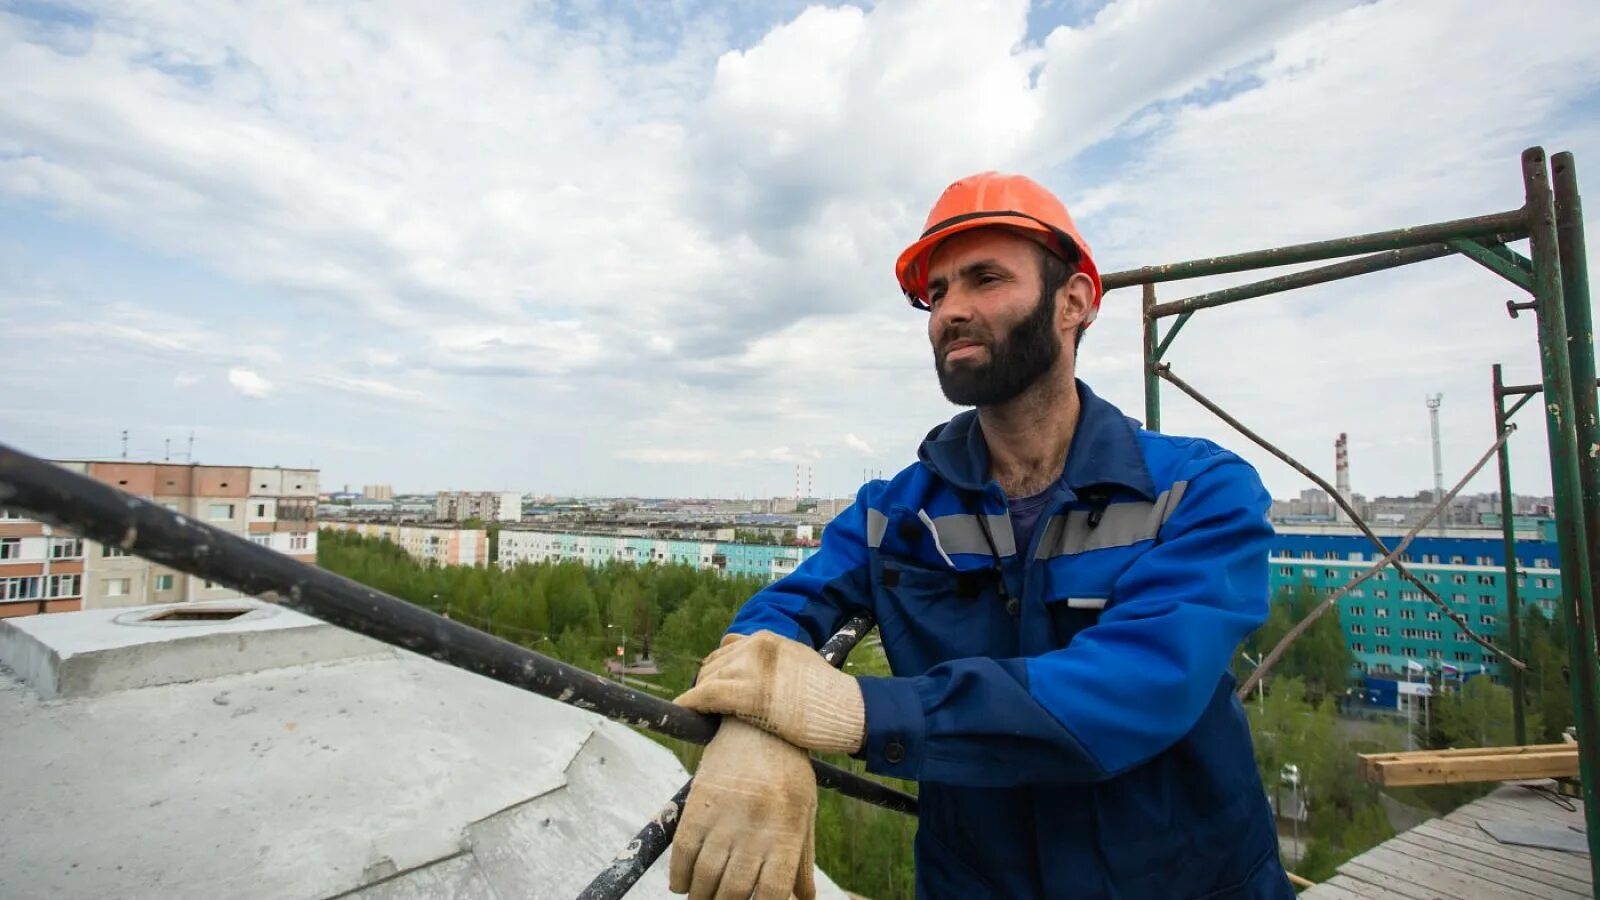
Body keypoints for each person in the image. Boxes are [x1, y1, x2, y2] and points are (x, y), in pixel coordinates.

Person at [669, 173, 1294, 899]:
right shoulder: (896, 513)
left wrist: (860, 713)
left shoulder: (1197, 492)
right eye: (935, 293)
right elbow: (781, 614)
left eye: (984, 279)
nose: (950, 312)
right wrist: (757, 731)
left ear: (1076, 301)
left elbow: (1141, 684)